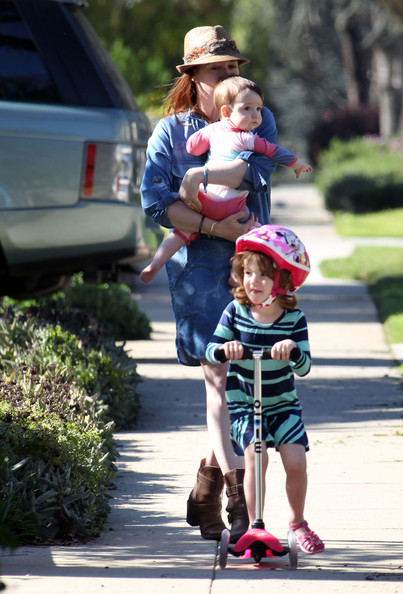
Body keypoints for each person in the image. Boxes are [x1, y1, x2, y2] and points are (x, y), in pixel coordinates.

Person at [140, 25, 279, 543]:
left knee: (244, 383)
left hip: (252, 270)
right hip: (196, 271)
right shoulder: (171, 134)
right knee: (222, 379)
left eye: (234, 66)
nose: (230, 75)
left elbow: (260, 174)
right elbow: (156, 201)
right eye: (219, 68)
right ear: (193, 77)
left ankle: (204, 494)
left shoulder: (253, 117)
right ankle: (240, 504)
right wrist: (215, 225)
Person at [205, 225, 325, 555]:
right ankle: (255, 526)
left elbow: (304, 367)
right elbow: (210, 349)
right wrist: (225, 348)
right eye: (248, 273)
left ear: (283, 280)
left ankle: (297, 522)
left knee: (296, 461)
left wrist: (293, 349)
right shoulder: (235, 313)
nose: (253, 282)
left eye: (263, 275)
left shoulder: (294, 319)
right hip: (245, 402)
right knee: (256, 456)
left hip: (282, 404)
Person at [139, 77, 311, 284]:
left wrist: (202, 137)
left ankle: (154, 265)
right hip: (232, 207)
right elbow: (274, 152)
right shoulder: (247, 138)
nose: (256, 115)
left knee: (179, 234)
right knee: (255, 233)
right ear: (227, 112)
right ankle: (236, 275)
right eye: (248, 109)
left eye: (258, 109)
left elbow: (193, 147)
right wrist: (296, 164)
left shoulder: (212, 131)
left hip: (203, 202)